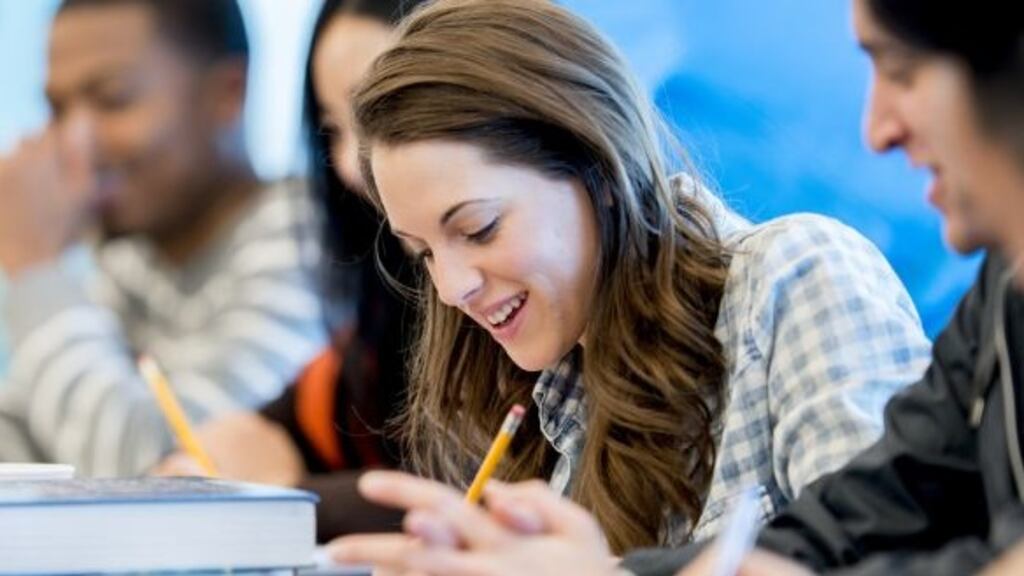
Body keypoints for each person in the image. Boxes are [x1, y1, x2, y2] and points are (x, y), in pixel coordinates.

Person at [327, 0, 1024, 574]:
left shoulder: (794, 276)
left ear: (596, 170)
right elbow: (839, 527)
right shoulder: (549, 397)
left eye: (479, 229)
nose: (451, 288)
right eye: (423, 254)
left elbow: (875, 545)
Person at [0, 0, 326, 476]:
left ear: (227, 94)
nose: (74, 141)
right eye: (57, 110)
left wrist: (35, 269)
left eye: (113, 100)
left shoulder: (306, 241)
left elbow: (168, 476)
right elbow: (24, 438)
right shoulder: (129, 255)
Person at [152, 0, 431, 541]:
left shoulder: (501, 309)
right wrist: (216, 464)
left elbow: (484, 504)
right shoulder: (376, 338)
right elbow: (251, 437)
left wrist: (287, 494)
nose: (350, 165)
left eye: (380, 116)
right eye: (333, 129)